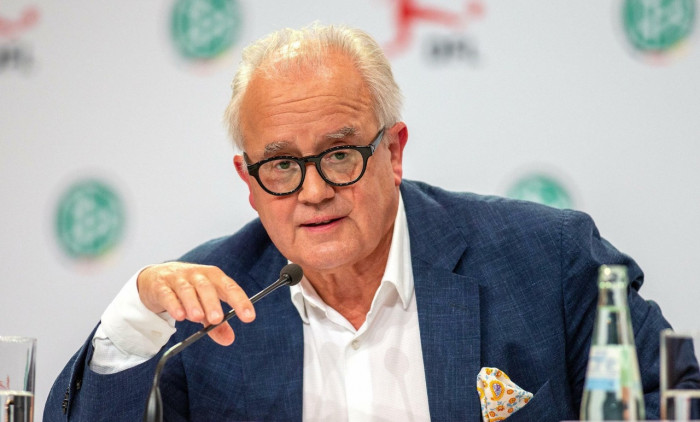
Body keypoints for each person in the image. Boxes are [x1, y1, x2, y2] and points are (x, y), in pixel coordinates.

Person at [45, 23, 699, 421]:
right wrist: (135, 320)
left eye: (339, 155)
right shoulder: (204, 308)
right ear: (248, 182)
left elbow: (677, 397)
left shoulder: (544, 259)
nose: (314, 192)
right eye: (281, 165)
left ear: (393, 151)